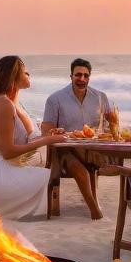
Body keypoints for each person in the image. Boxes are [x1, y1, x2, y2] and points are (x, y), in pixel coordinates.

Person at [0, 56, 67, 219]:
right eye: (25, 72)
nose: (29, 74)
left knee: (49, 164)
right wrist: (47, 141)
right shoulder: (3, 103)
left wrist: (49, 134)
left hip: (0, 168)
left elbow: (27, 139)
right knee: (50, 174)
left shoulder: (13, 102)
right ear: (14, 76)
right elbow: (7, 152)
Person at [40, 57, 113, 219]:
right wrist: (55, 131)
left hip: (93, 149)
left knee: (123, 165)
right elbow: (46, 130)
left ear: (89, 77)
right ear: (71, 76)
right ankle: (95, 211)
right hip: (65, 151)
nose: (82, 79)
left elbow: (110, 124)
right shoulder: (55, 99)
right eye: (78, 75)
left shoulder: (100, 97)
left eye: (86, 76)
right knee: (78, 168)